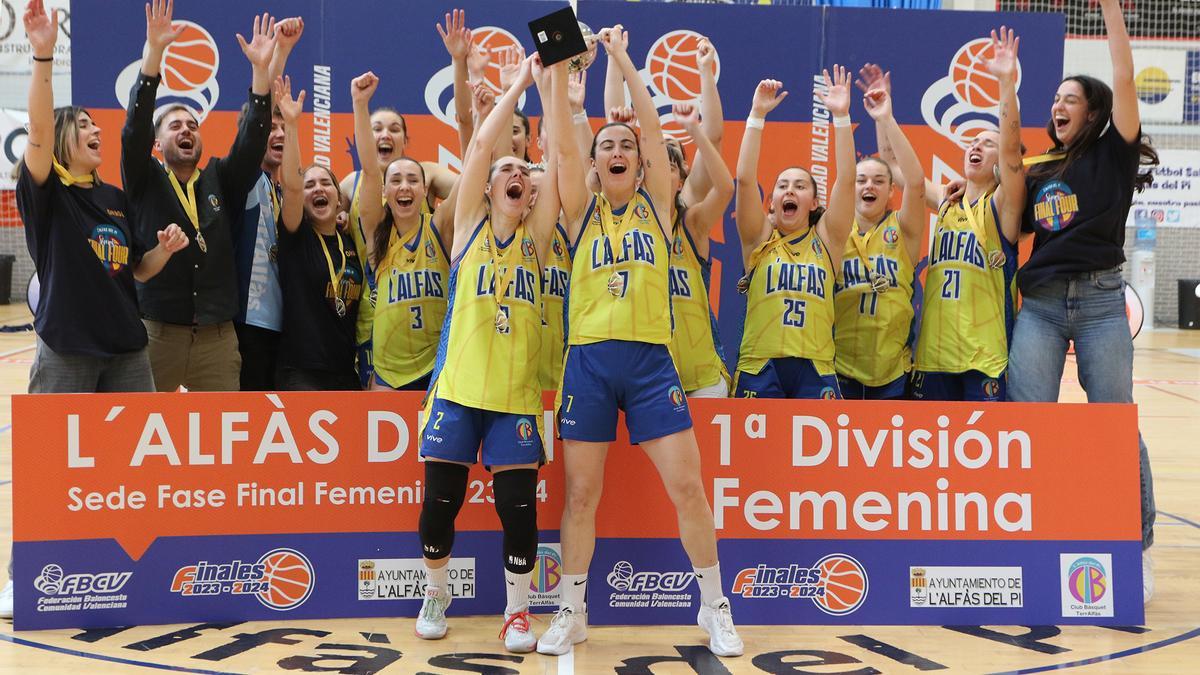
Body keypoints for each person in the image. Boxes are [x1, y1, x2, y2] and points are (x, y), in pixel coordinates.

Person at [538, 26, 743, 658]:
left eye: (628, 144)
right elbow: (563, 151)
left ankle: (714, 608)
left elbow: (654, 131)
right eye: (608, 146)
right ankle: (570, 611)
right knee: (581, 495)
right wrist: (556, 74)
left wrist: (624, 59)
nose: (621, 149)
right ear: (597, 162)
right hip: (590, 364)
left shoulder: (660, 204)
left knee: (689, 489)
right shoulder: (579, 209)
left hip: (654, 362)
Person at [0, 0, 189, 618]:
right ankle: (23, 572)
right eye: (84, 126)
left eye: (95, 126)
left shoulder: (112, 196)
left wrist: (159, 252)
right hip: (67, 348)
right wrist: (45, 54)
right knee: (47, 468)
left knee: (136, 469)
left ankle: (136, 566)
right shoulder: (46, 191)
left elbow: (133, 268)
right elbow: (34, 130)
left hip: (127, 349)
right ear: (60, 141)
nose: (96, 131)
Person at [1005, 1, 1158, 601]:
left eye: (1070, 98)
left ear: (1092, 110)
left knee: (1114, 425)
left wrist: (1112, 11)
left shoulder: (1114, 151)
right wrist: (1005, 87)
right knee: (1027, 427)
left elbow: (1123, 75)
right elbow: (1011, 172)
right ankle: (1032, 542)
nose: (1059, 106)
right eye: (1055, 100)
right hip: (1040, 304)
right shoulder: (1042, 166)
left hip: (1099, 304)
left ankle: (1137, 545)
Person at [414, 53, 560, 653]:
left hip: (516, 397)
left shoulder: (539, 237)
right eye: (504, 168)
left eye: (523, 169)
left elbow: (557, 166)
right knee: (440, 504)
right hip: (456, 390)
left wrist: (554, 89)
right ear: (490, 184)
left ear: (529, 191)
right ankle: (436, 591)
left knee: (518, 510)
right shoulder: (468, 225)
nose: (513, 172)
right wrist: (519, 83)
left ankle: (517, 612)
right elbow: (477, 154)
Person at [122, 1, 275, 392]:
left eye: (193, 124)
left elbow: (252, 141)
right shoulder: (144, 177)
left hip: (218, 338)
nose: (186, 130)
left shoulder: (220, 178)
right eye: (175, 126)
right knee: (144, 439)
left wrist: (261, 73)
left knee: (223, 444)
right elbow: (134, 130)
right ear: (158, 143)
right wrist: (153, 55)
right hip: (158, 333)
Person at [873, 34, 1022, 403]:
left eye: (987, 143)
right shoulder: (946, 200)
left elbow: (1011, 152)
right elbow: (893, 166)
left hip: (984, 358)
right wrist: (884, 117)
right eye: (973, 141)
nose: (976, 145)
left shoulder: (1003, 204)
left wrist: (1005, 83)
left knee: (981, 457)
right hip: (934, 356)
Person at [340, 11, 464, 388]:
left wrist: (460, 65)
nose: (385, 133)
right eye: (377, 128)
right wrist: (359, 105)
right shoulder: (356, 187)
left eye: (394, 128)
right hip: (376, 326)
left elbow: (472, 171)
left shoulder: (429, 187)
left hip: (434, 341)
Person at [732, 73, 857, 399]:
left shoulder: (828, 240)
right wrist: (756, 116)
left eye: (800, 185)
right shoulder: (758, 238)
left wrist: (841, 116)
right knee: (756, 452)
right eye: (782, 186)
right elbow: (744, 180)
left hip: (815, 367)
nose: (790, 190)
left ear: (814, 203)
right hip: (761, 366)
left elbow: (846, 181)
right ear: (771, 202)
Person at [832, 77, 925, 400]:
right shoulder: (834, 230)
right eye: (861, 180)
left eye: (878, 181)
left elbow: (915, 183)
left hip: (892, 374)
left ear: (890, 190)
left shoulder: (904, 229)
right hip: (838, 368)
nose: (868, 186)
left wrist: (886, 118)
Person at [275, 77, 363, 390]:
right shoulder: (295, 235)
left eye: (325, 183)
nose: (317, 189)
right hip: (302, 372)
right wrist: (292, 125)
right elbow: (292, 185)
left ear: (340, 198)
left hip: (346, 371)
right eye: (310, 185)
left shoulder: (351, 241)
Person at [232, 16, 304, 392]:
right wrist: (280, 56)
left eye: (283, 127)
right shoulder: (244, 181)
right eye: (270, 127)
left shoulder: (283, 189)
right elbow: (258, 117)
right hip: (248, 325)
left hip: (283, 325)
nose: (276, 132)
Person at [666, 102, 734, 397]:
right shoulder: (624, 223)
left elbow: (725, 188)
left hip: (702, 376)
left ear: (682, 179)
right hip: (650, 374)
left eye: (671, 162)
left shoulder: (691, 223)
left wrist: (693, 128)